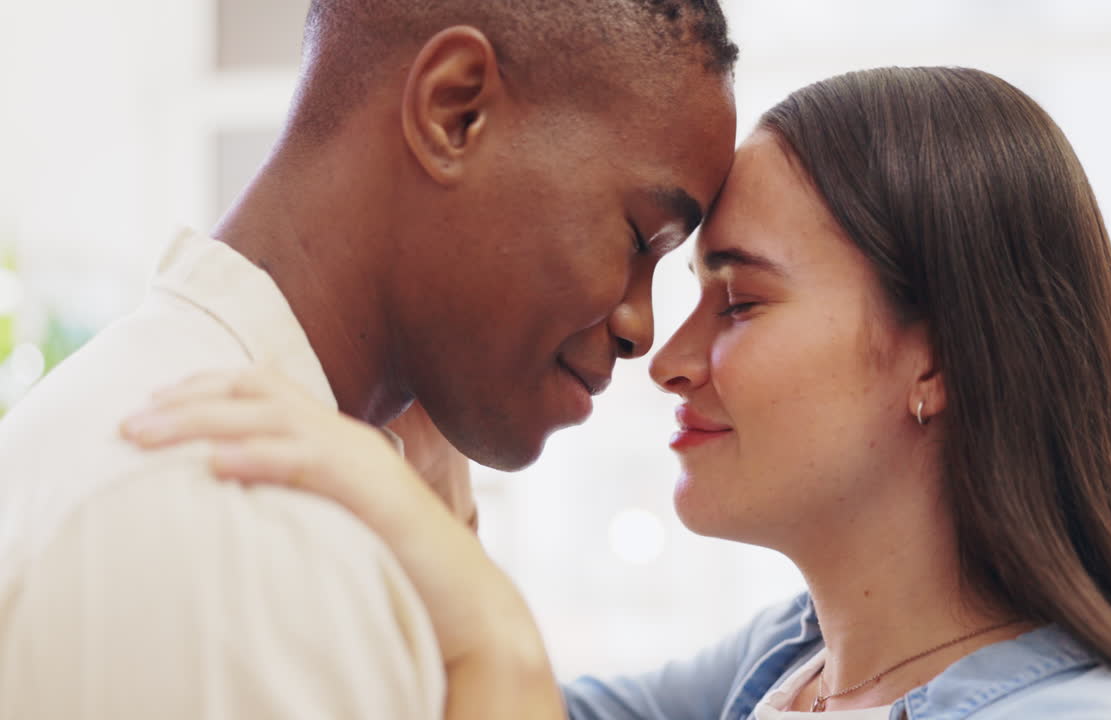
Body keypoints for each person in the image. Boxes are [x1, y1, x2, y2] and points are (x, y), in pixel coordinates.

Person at [129, 67, 1111, 720]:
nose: (664, 356)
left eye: (738, 303)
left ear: (935, 359)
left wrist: (486, 621)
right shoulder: (790, 665)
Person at [0, 1, 738, 717]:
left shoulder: (301, 501)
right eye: (642, 237)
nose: (643, 331)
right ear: (456, 113)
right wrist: (503, 648)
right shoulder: (223, 530)